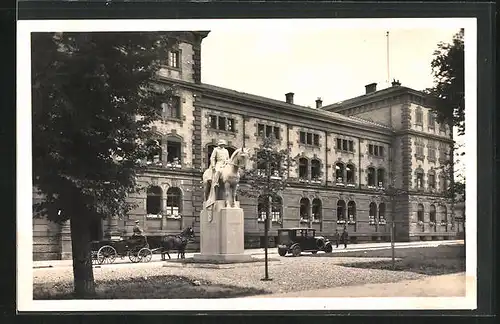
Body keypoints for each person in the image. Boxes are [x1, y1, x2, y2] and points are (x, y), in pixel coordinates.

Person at [206, 139, 230, 206]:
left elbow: (228, 158)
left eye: (223, 144)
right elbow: (212, 158)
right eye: (221, 144)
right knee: (218, 171)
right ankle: (216, 182)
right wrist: (213, 165)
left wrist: (227, 162)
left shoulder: (226, 150)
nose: (222, 145)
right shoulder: (216, 149)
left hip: (225, 164)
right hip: (219, 163)